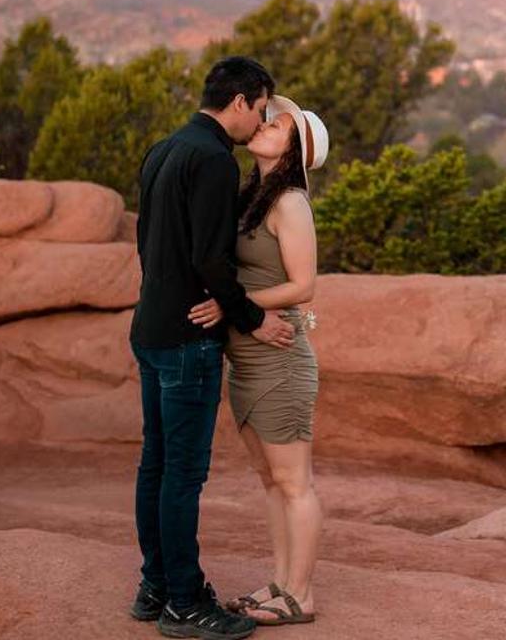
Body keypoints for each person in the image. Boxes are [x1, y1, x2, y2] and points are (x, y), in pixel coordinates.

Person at [127, 56, 298, 640]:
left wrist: (166, 296)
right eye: (262, 109)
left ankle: (155, 586)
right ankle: (182, 602)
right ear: (242, 102)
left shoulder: (164, 148)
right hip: (186, 342)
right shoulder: (214, 162)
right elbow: (210, 260)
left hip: (150, 330)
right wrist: (250, 317)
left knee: (155, 465)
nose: (261, 122)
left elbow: (148, 243)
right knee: (181, 475)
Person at [190, 96, 329, 627]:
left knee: (295, 482)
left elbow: (303, 286)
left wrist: (234, 305)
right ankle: (279, 584)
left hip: (280, 362)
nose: (265, 125)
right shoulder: (253, 197)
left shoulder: (289, 202)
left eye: (278, 125)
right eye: (268, 118)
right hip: (248, 359)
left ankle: (301, 595)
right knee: (270, 481)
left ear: (295, 150)